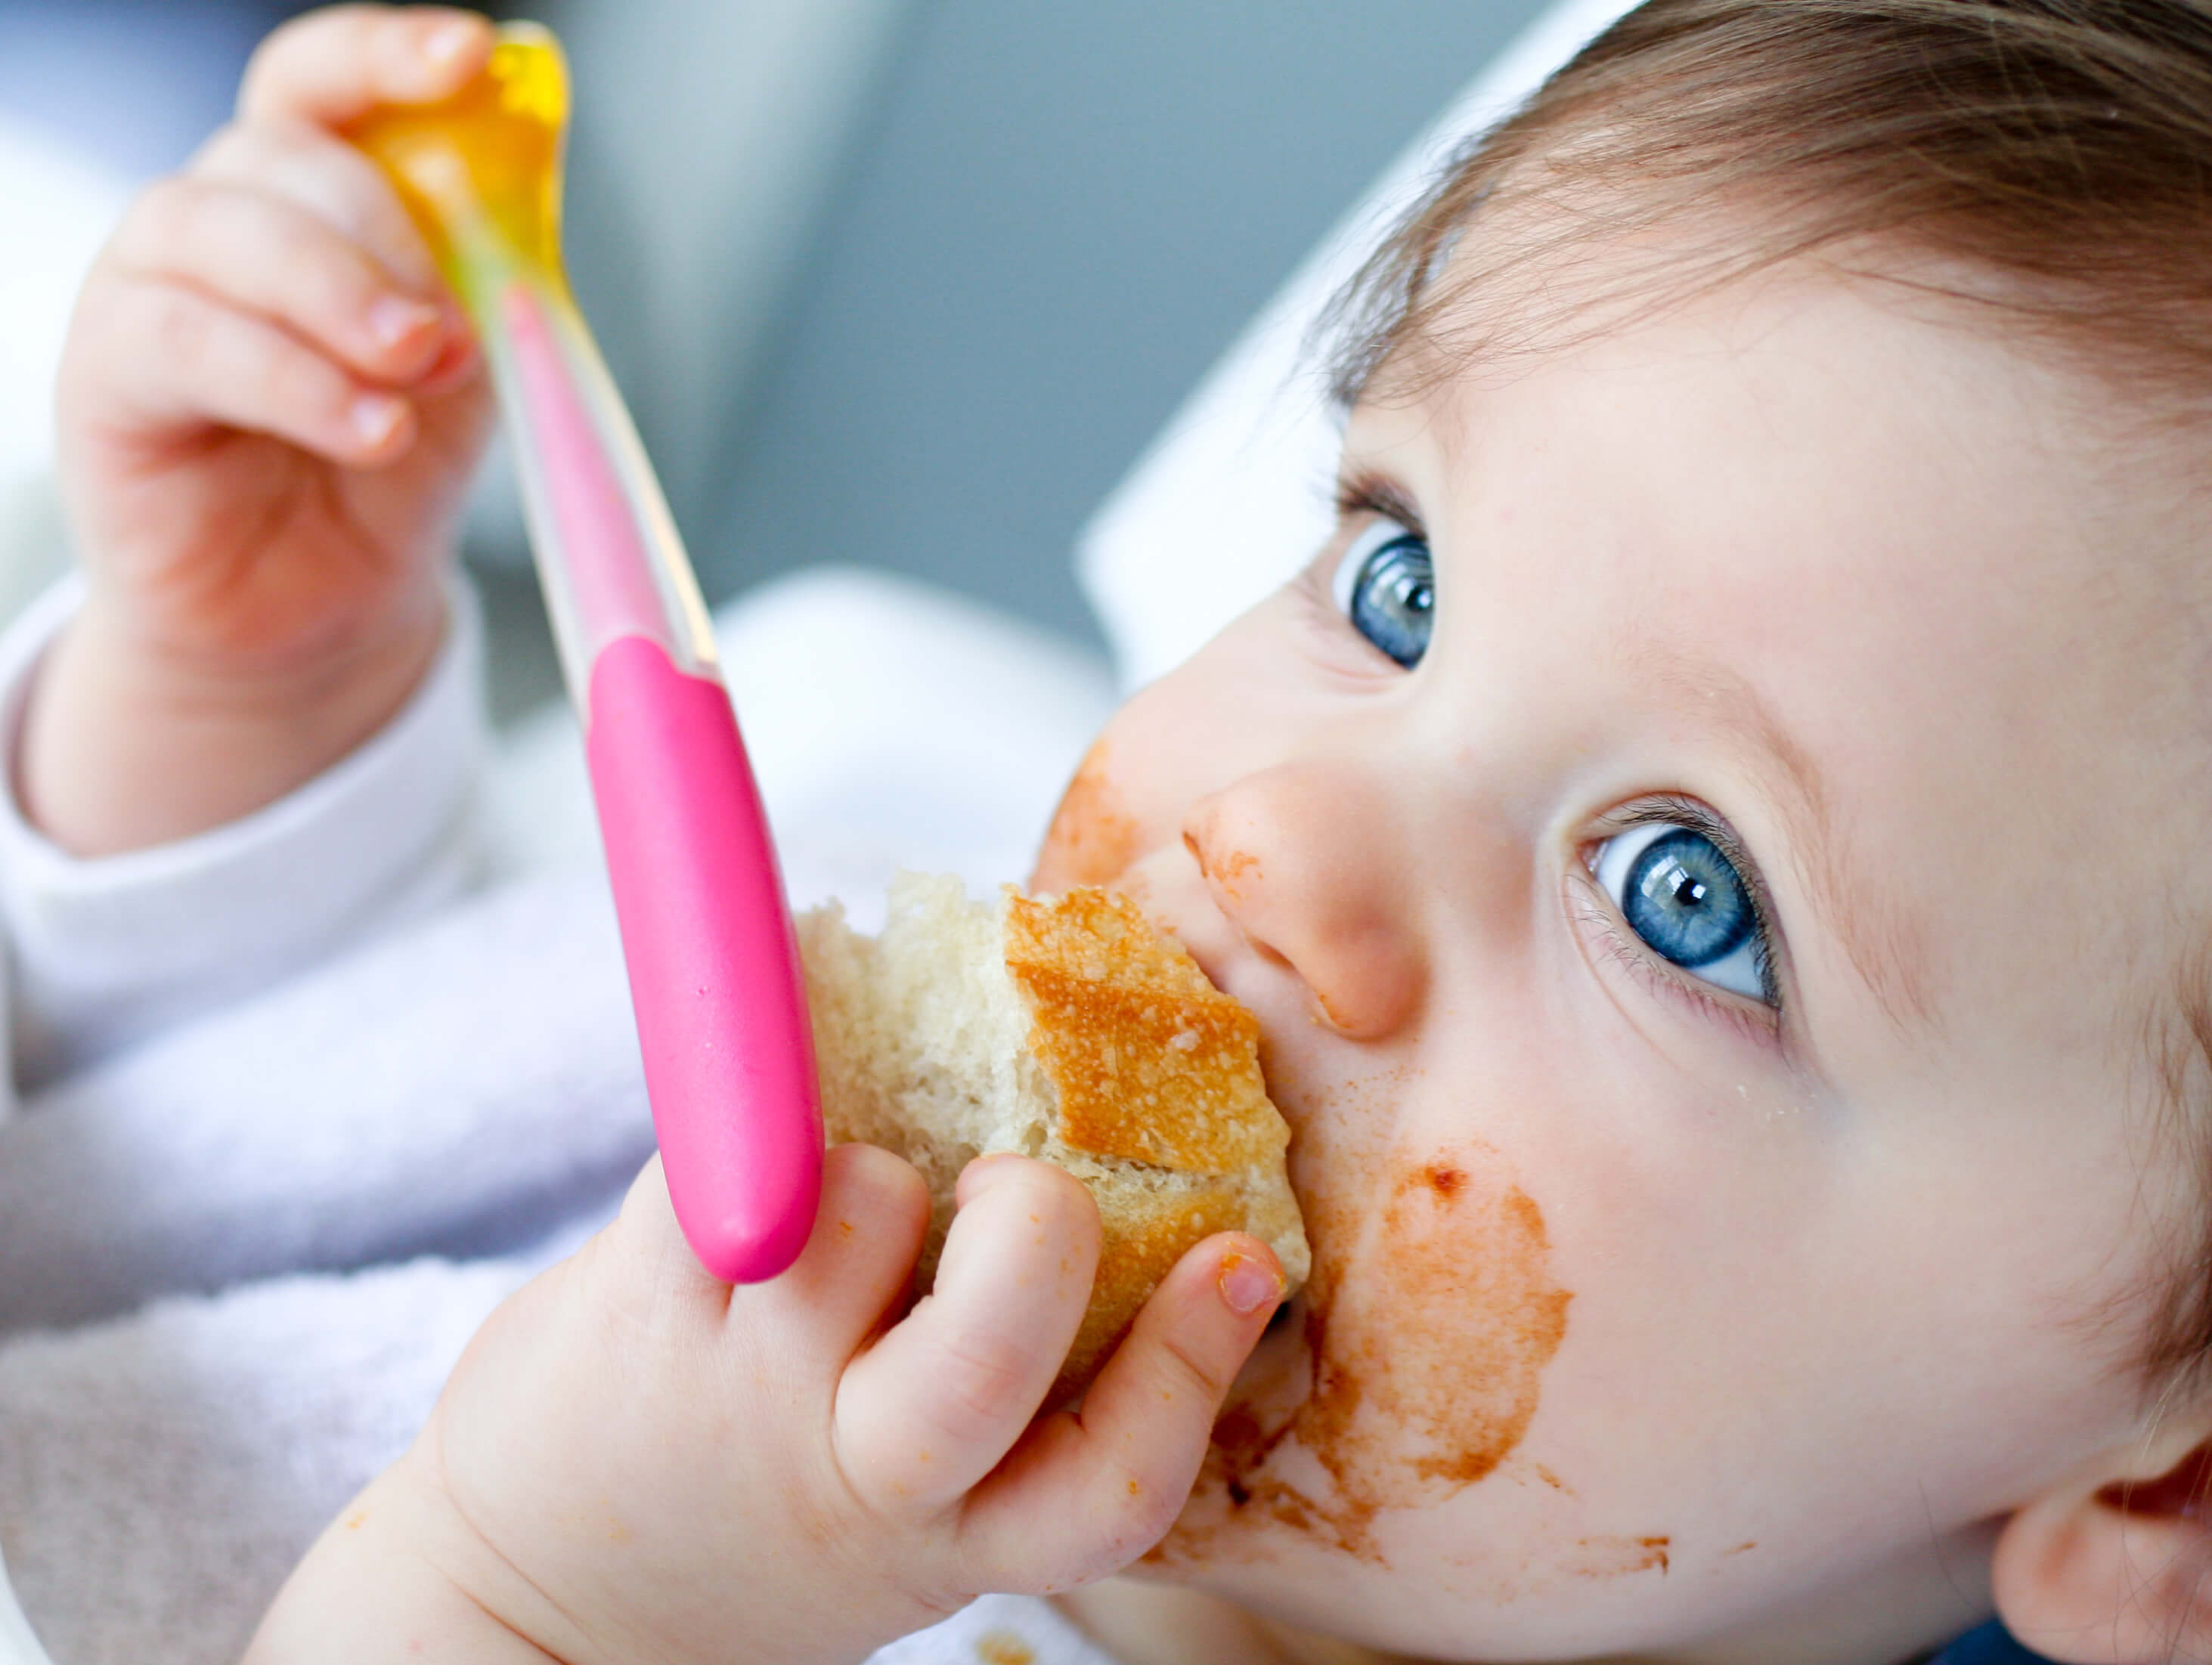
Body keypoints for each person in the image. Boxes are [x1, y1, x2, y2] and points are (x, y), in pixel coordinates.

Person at [23, 0, 2212, 1659]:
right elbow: (236, 1152)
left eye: (1686, 895)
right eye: (1402, 583)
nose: (1281, 837)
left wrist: (530, 1607)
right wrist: (250, 692)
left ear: (2163, 1488)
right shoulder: (894, 795)